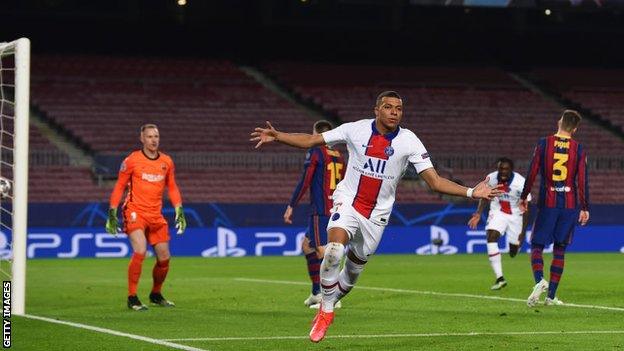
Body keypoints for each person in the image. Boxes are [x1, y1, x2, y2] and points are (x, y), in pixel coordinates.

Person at [251, 91, 502, 343]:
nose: (394, 112)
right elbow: (311, 140)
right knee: (333, 250)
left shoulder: (409, 141)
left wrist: (471, 191)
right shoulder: (355, 130)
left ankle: (329, 301)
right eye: (388, 107)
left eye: (399, 108)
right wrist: (278, 136)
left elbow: (434, 181)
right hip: (348, 201)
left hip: (377, 216)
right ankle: (326, 310)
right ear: (377, 110)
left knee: (351, 274)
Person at [106, 124, 187, 311]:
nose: (153, 140)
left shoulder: (166, 161)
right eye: (149, 136)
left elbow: (172, 187)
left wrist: (179, 209)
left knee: (164, 257)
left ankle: (155, 294)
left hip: (155, 214)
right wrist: (112, 211)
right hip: (135, 211)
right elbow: (119, 186)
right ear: (142, 138)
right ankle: (132, 297)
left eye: (156, 136)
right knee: (140, 250)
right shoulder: (132, 160)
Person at [520, 110, 589, 307]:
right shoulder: (579, 148)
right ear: (575, 129)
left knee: (537, 246)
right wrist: (585, 207)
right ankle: (551, 296)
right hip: (569, 203)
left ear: (560, 122)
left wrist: (524, 197)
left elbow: (532, 171)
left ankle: (540, 280)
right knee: (560, 249)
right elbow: (582, 180)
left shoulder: (544, 143)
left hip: (548, 202)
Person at [284, 120, 346, 309]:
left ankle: (331, 297)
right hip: (335, 207)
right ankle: (316, 293)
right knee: (307, 246)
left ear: (316, 134)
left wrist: (291, 205)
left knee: (322, 250)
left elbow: (305, 180)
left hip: (321, 209)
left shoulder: (316, 151)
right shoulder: (339, 155)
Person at [468, 157, 530, 290]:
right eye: (500, 168)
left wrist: (523, 233)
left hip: (516, 215)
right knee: (491, 236)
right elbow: (485, 196)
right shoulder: (492, 178)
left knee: (513, 251)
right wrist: (478, 213)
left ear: (511, 170)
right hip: (498, 211)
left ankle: (514, 246)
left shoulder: (521, 183)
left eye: (506, 169)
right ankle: (500, 278)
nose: (503, 171)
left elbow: (526, 209)